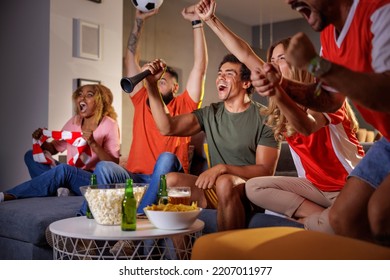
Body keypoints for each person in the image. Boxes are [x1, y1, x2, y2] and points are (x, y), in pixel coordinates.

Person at [196, 0, 364, 231]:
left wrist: (277, 91)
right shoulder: (281, 99)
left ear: (298, 65)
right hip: (314, 188)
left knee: (331, 228)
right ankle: (322, 217)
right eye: (271, 60)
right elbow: (244, 53)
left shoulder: (323, 93)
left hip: (347, 188)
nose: (272, 64)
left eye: (281, 59)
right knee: (254, 188)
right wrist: (211, 20)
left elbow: (306, 125)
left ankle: (324, 222)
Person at [252, 0, 390, 246]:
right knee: (344, 220)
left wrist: (315, 64)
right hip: (387, 140)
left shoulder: (379, 9)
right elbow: (329, 98)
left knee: (379, 214)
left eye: (282, 58)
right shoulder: (328, 36)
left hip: (350, 172)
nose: (289, 1)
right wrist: (280, 85)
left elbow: (384, 94)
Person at [142, 54, 280, 231]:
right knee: (171, 180)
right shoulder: (210, 113)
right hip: (215, 188)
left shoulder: (266, 118)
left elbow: (265, 170)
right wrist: (152, 86)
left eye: (229, 73)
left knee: (224, 182)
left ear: (246, 83)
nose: (221, 77)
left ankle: (224, 253)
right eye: (220, 73)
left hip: (249, 191)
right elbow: (167, 127)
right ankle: (181, 257)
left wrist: (223, 168)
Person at [93, 5, 208, 214]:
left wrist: (196, 22)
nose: (156, 82)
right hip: (136, 177)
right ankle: (91, 223)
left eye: (162, 81)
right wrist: (139, 21)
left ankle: (139, 217)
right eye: (155, 80)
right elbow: (131, 59)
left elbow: (200, 66)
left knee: (165, 158)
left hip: (167, 175)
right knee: (103, 168)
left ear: (175, 87)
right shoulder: (142, 98)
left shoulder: (185, 104)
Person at [0, 84, 120, 202]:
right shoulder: (75, 121)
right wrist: (41, 141)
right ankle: (61, 190)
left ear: (100, 102)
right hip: (71, 173)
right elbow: (53, 148)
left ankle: (10, 195)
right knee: (31, 155)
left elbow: (113, 165)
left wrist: (93, 143)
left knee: (64, 170)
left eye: (89, 95)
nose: (82, 98)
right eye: (80, 94)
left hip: (91, 179)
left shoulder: (109, 124)